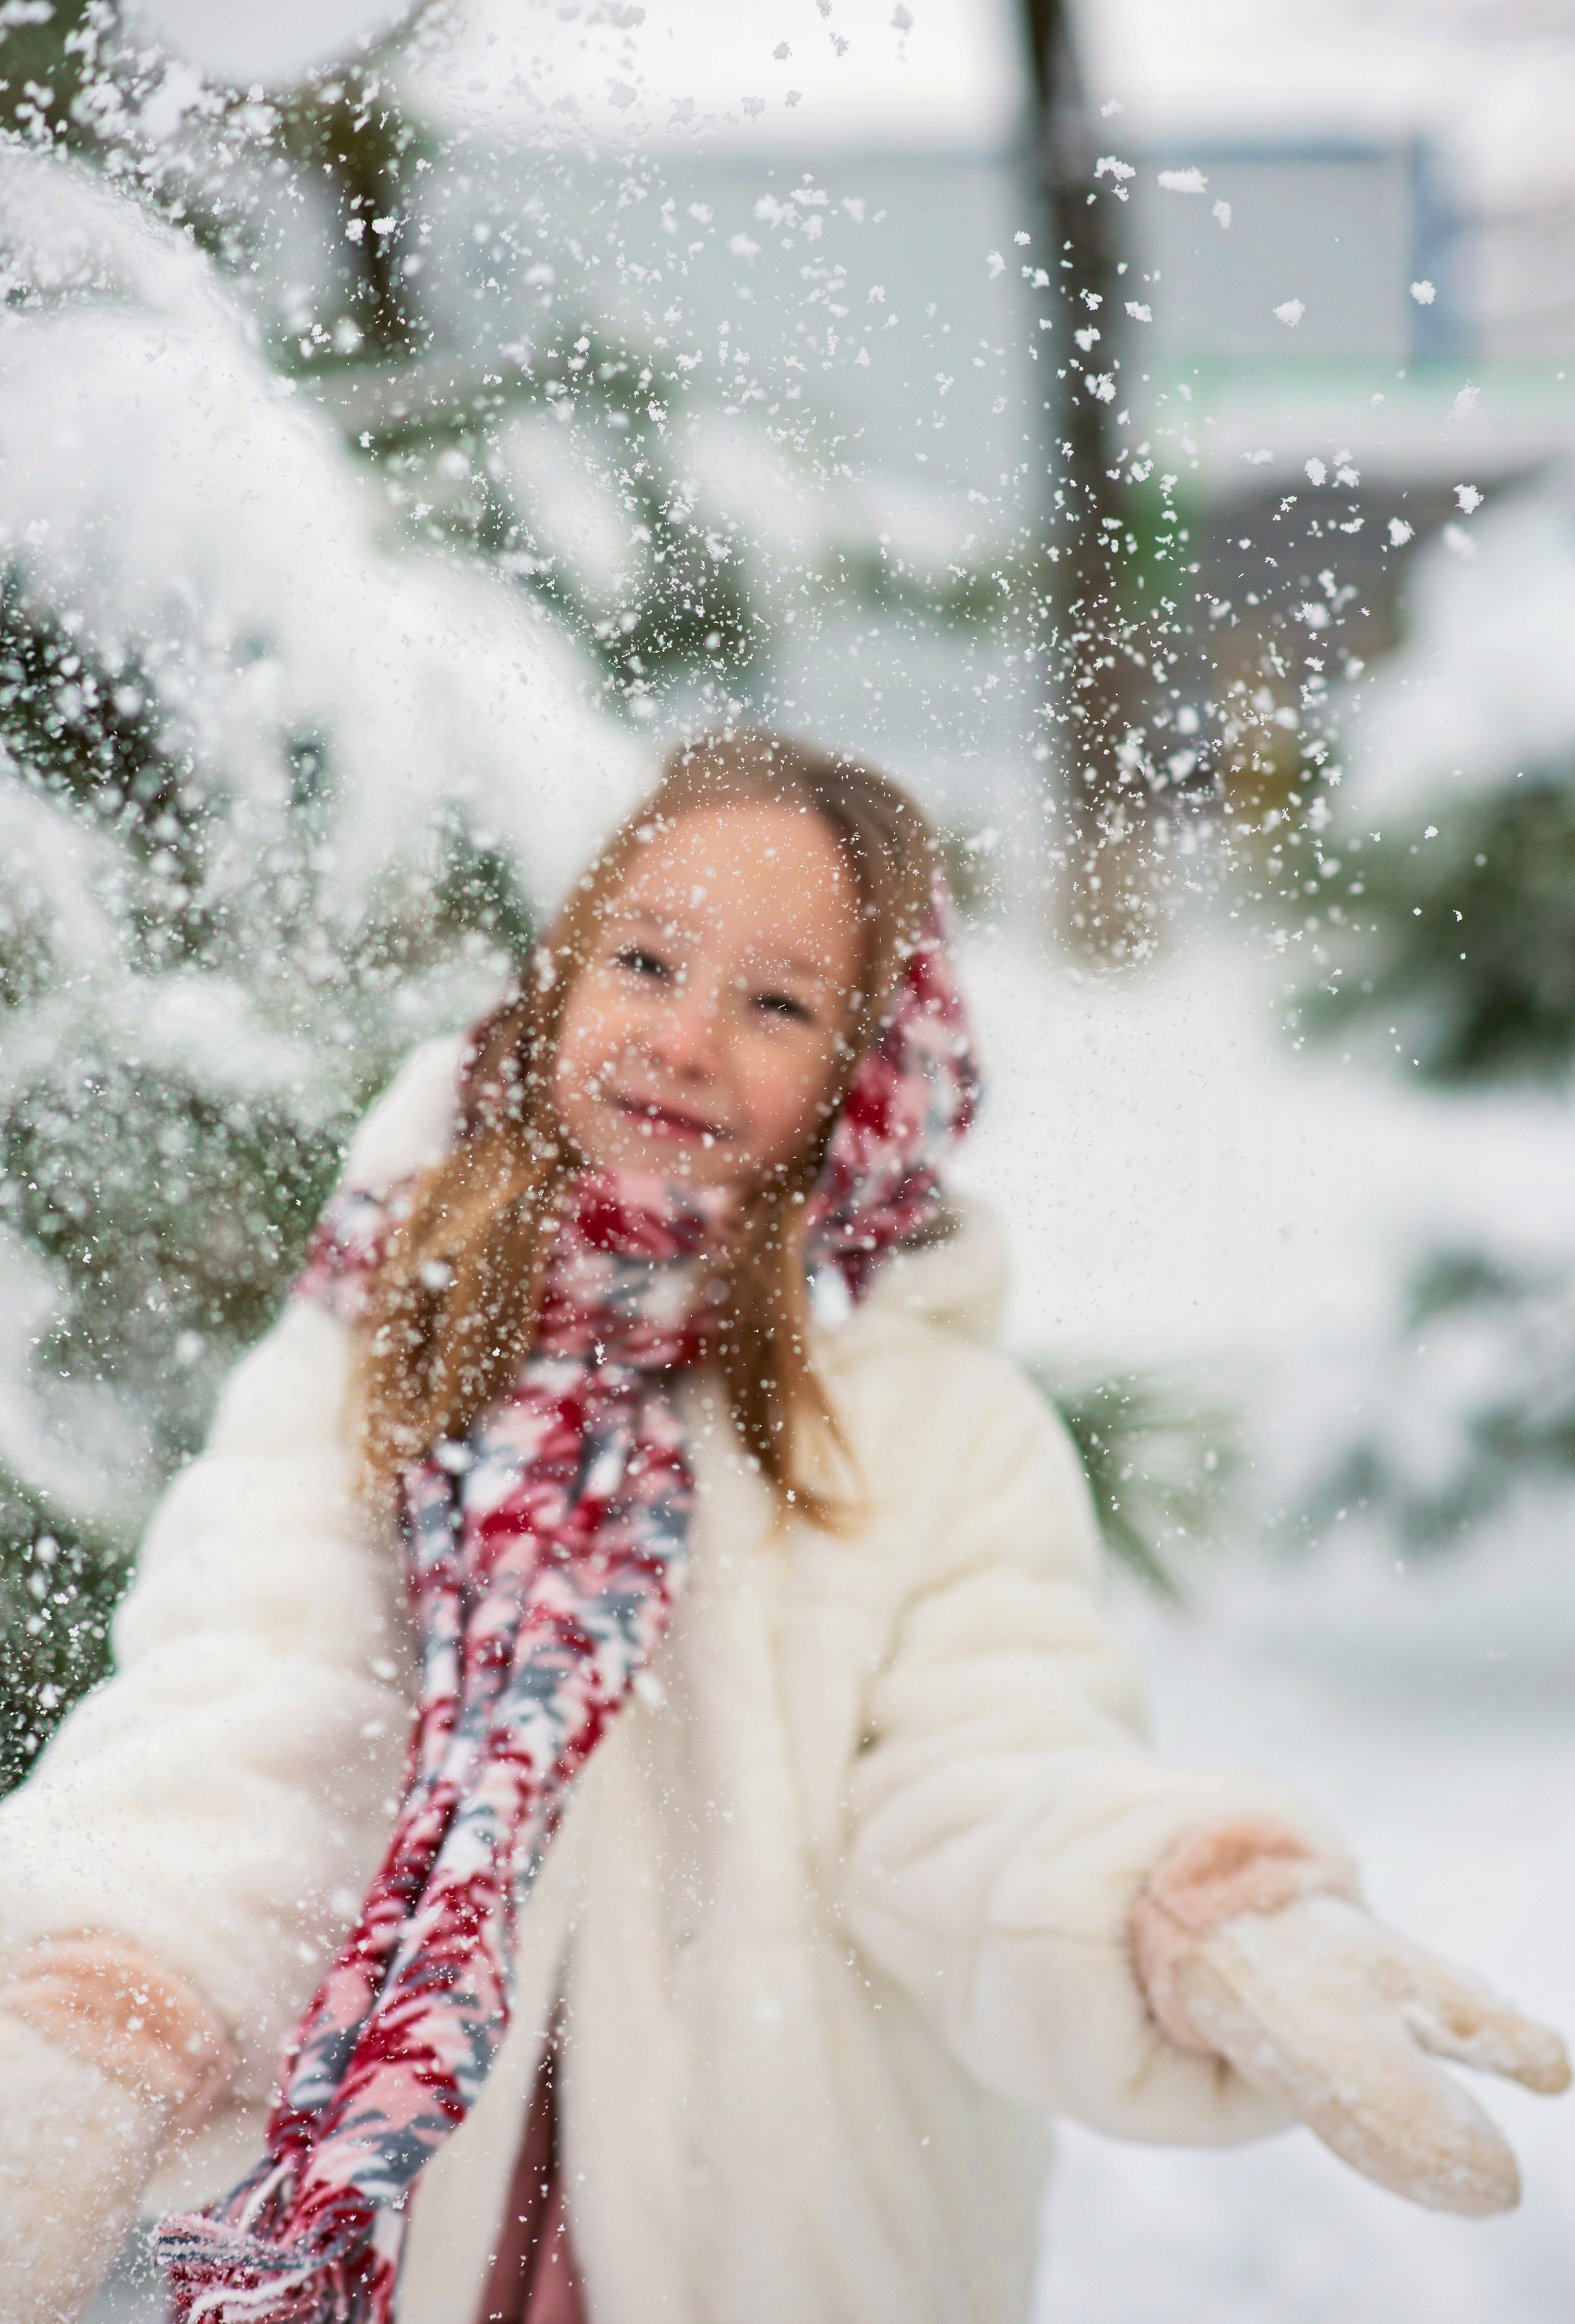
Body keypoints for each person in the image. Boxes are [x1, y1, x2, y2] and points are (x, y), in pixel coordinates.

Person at [0, 733, 1564, 2324]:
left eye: (777, 1003)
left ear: (869, 1071)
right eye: (645, 959)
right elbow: (253, 1689)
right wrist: (111, 1991)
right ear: (560, 977)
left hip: (786, 2239)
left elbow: (987, 1769)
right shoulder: (393, 1339)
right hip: (420, 2226)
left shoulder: (934, 1429)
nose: (683, 1037)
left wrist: (1186, 1908)